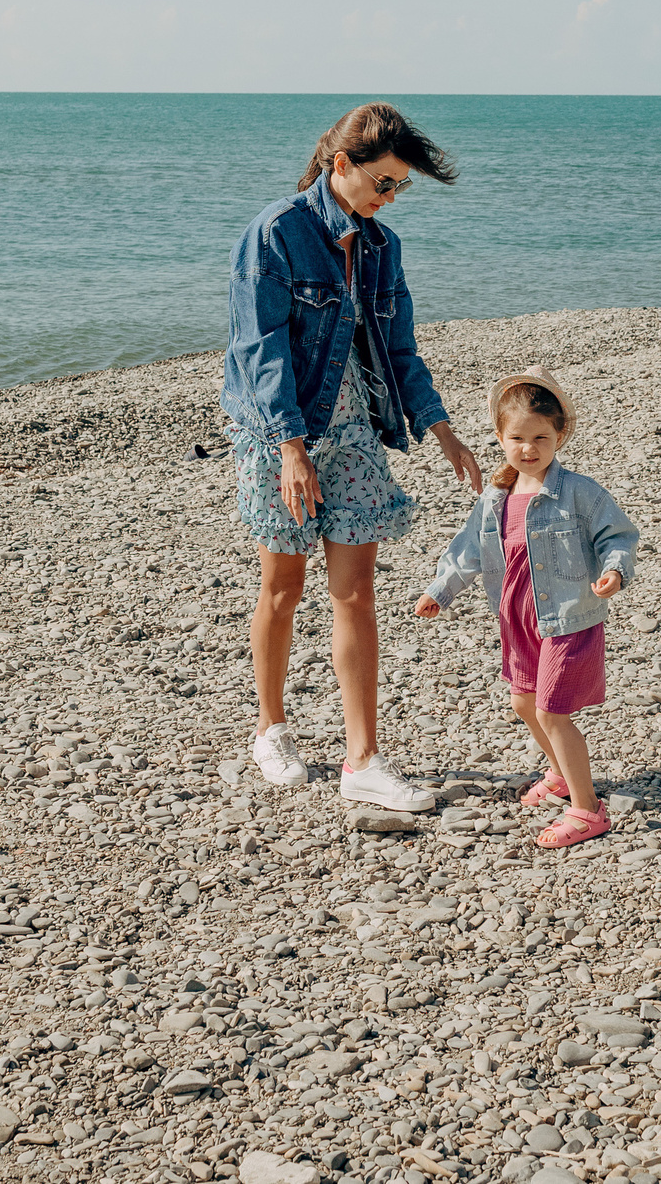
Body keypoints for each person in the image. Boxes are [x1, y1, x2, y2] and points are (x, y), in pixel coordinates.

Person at [221, 102, 485, 808]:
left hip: (357, 434)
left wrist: (441, 429)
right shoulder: (276, 233)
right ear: (342, 164)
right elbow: (260, 350)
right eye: (384, 182)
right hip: (280, 434)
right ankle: (270, 727)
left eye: (399, 187)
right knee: (283, 586)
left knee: (356, 590)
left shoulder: (381, 246)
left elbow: (400, 348)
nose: (388, 197)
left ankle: (362, 759)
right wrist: (290, 447)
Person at [413, 366, 637, 849]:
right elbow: (469, 549)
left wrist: (615, 571)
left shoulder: (579, 492)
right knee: (522, 702)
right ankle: (558, 774)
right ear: (499, 436)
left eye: (541, 436)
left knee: (552, 710)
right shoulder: (496, 497)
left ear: (560, 435)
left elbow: (617, 535)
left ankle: (587, 808)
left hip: (566, 616)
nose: (529, 448)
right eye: (518, 437)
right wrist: (440, 591)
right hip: (518, 617)